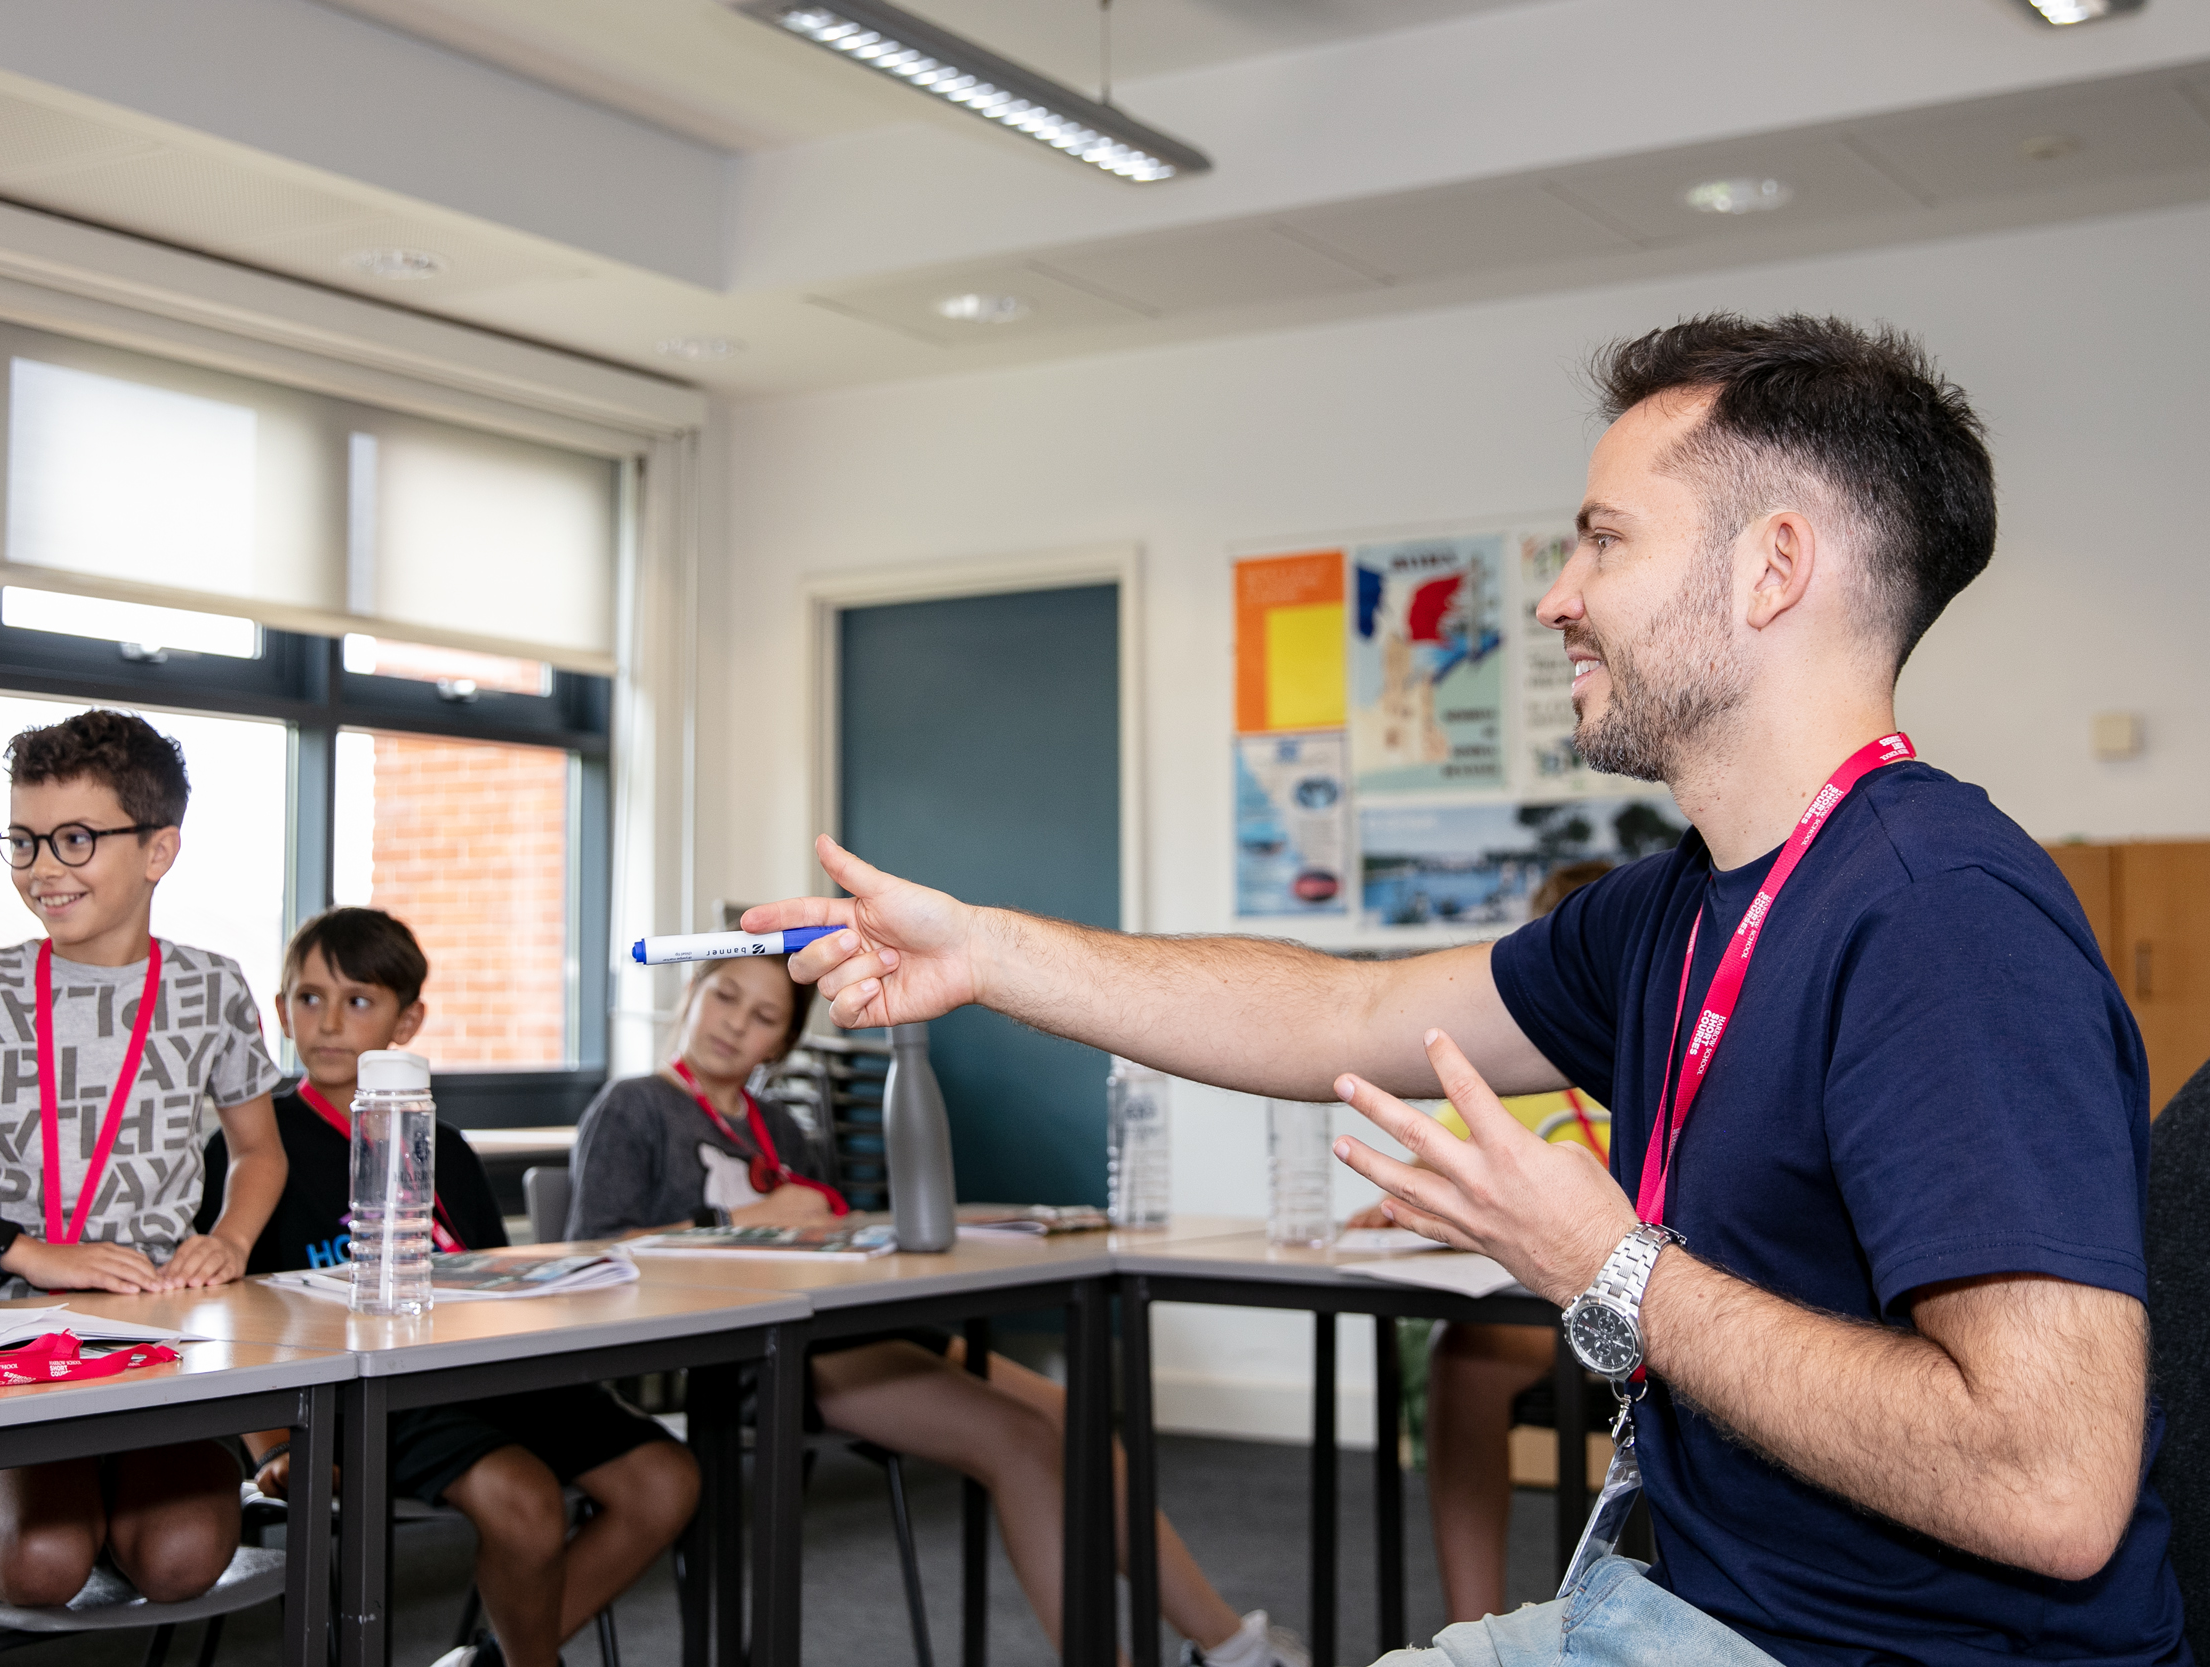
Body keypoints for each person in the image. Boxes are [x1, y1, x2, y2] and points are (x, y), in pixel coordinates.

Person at [748, 315, 2186, 1663]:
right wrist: (987, 951)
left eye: (1603, 541)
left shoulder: (1940, 919)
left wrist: (1615, 1271)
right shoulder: (1679, 903)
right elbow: (1337, 1013)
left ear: (1772, 567)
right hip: (1681, 1600)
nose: (1556, 596)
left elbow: (2049, 1483)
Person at [569, 954, 1307, 1667]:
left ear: (782, 1043)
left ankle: (1228, 1645)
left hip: (845, 1322)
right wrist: (737, 1220)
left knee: (1080, 1423)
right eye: (725, 996)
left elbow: (828, 1235)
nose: (735, 1024)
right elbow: (592, 1251)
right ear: (692, 992)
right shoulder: (635, 1105)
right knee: (1018, 1440)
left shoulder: (781, 1128)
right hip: (751, 1348)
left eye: (763, 1016)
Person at [0, 709, 286, 1608]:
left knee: (185, 1558)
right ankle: (18, 1495)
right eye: (25, 841)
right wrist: (29, 1250)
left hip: (155, 1335)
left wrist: (230, 1239)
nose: (43, 869)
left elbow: (261, 1152)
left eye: (75, 839)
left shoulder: (213, 985)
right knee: (43, 1564)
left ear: (159, 851)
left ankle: (116, 1491)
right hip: (3, 1334)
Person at [199, 907, 699, 1667]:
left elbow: (489, 1279)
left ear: (408, 1021)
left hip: (482, 1373)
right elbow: (226, 1307)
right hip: (367, 1396)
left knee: (666, 1478)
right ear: (280, 1011)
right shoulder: (253, 1144)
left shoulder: (447, 1146)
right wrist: (272, 1442)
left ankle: (496, 1658)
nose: (329, 1021)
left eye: (359, 1000)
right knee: (525, 1501)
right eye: (308, 998)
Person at [1344, 861, 1615, 1626]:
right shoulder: (1503, 1073)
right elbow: (1437, 1172)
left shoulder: (1668, 1044)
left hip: (1649, 1299)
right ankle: (1473, 1625)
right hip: (1538, 1313)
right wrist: (1395, 1206)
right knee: (1461, 1355)